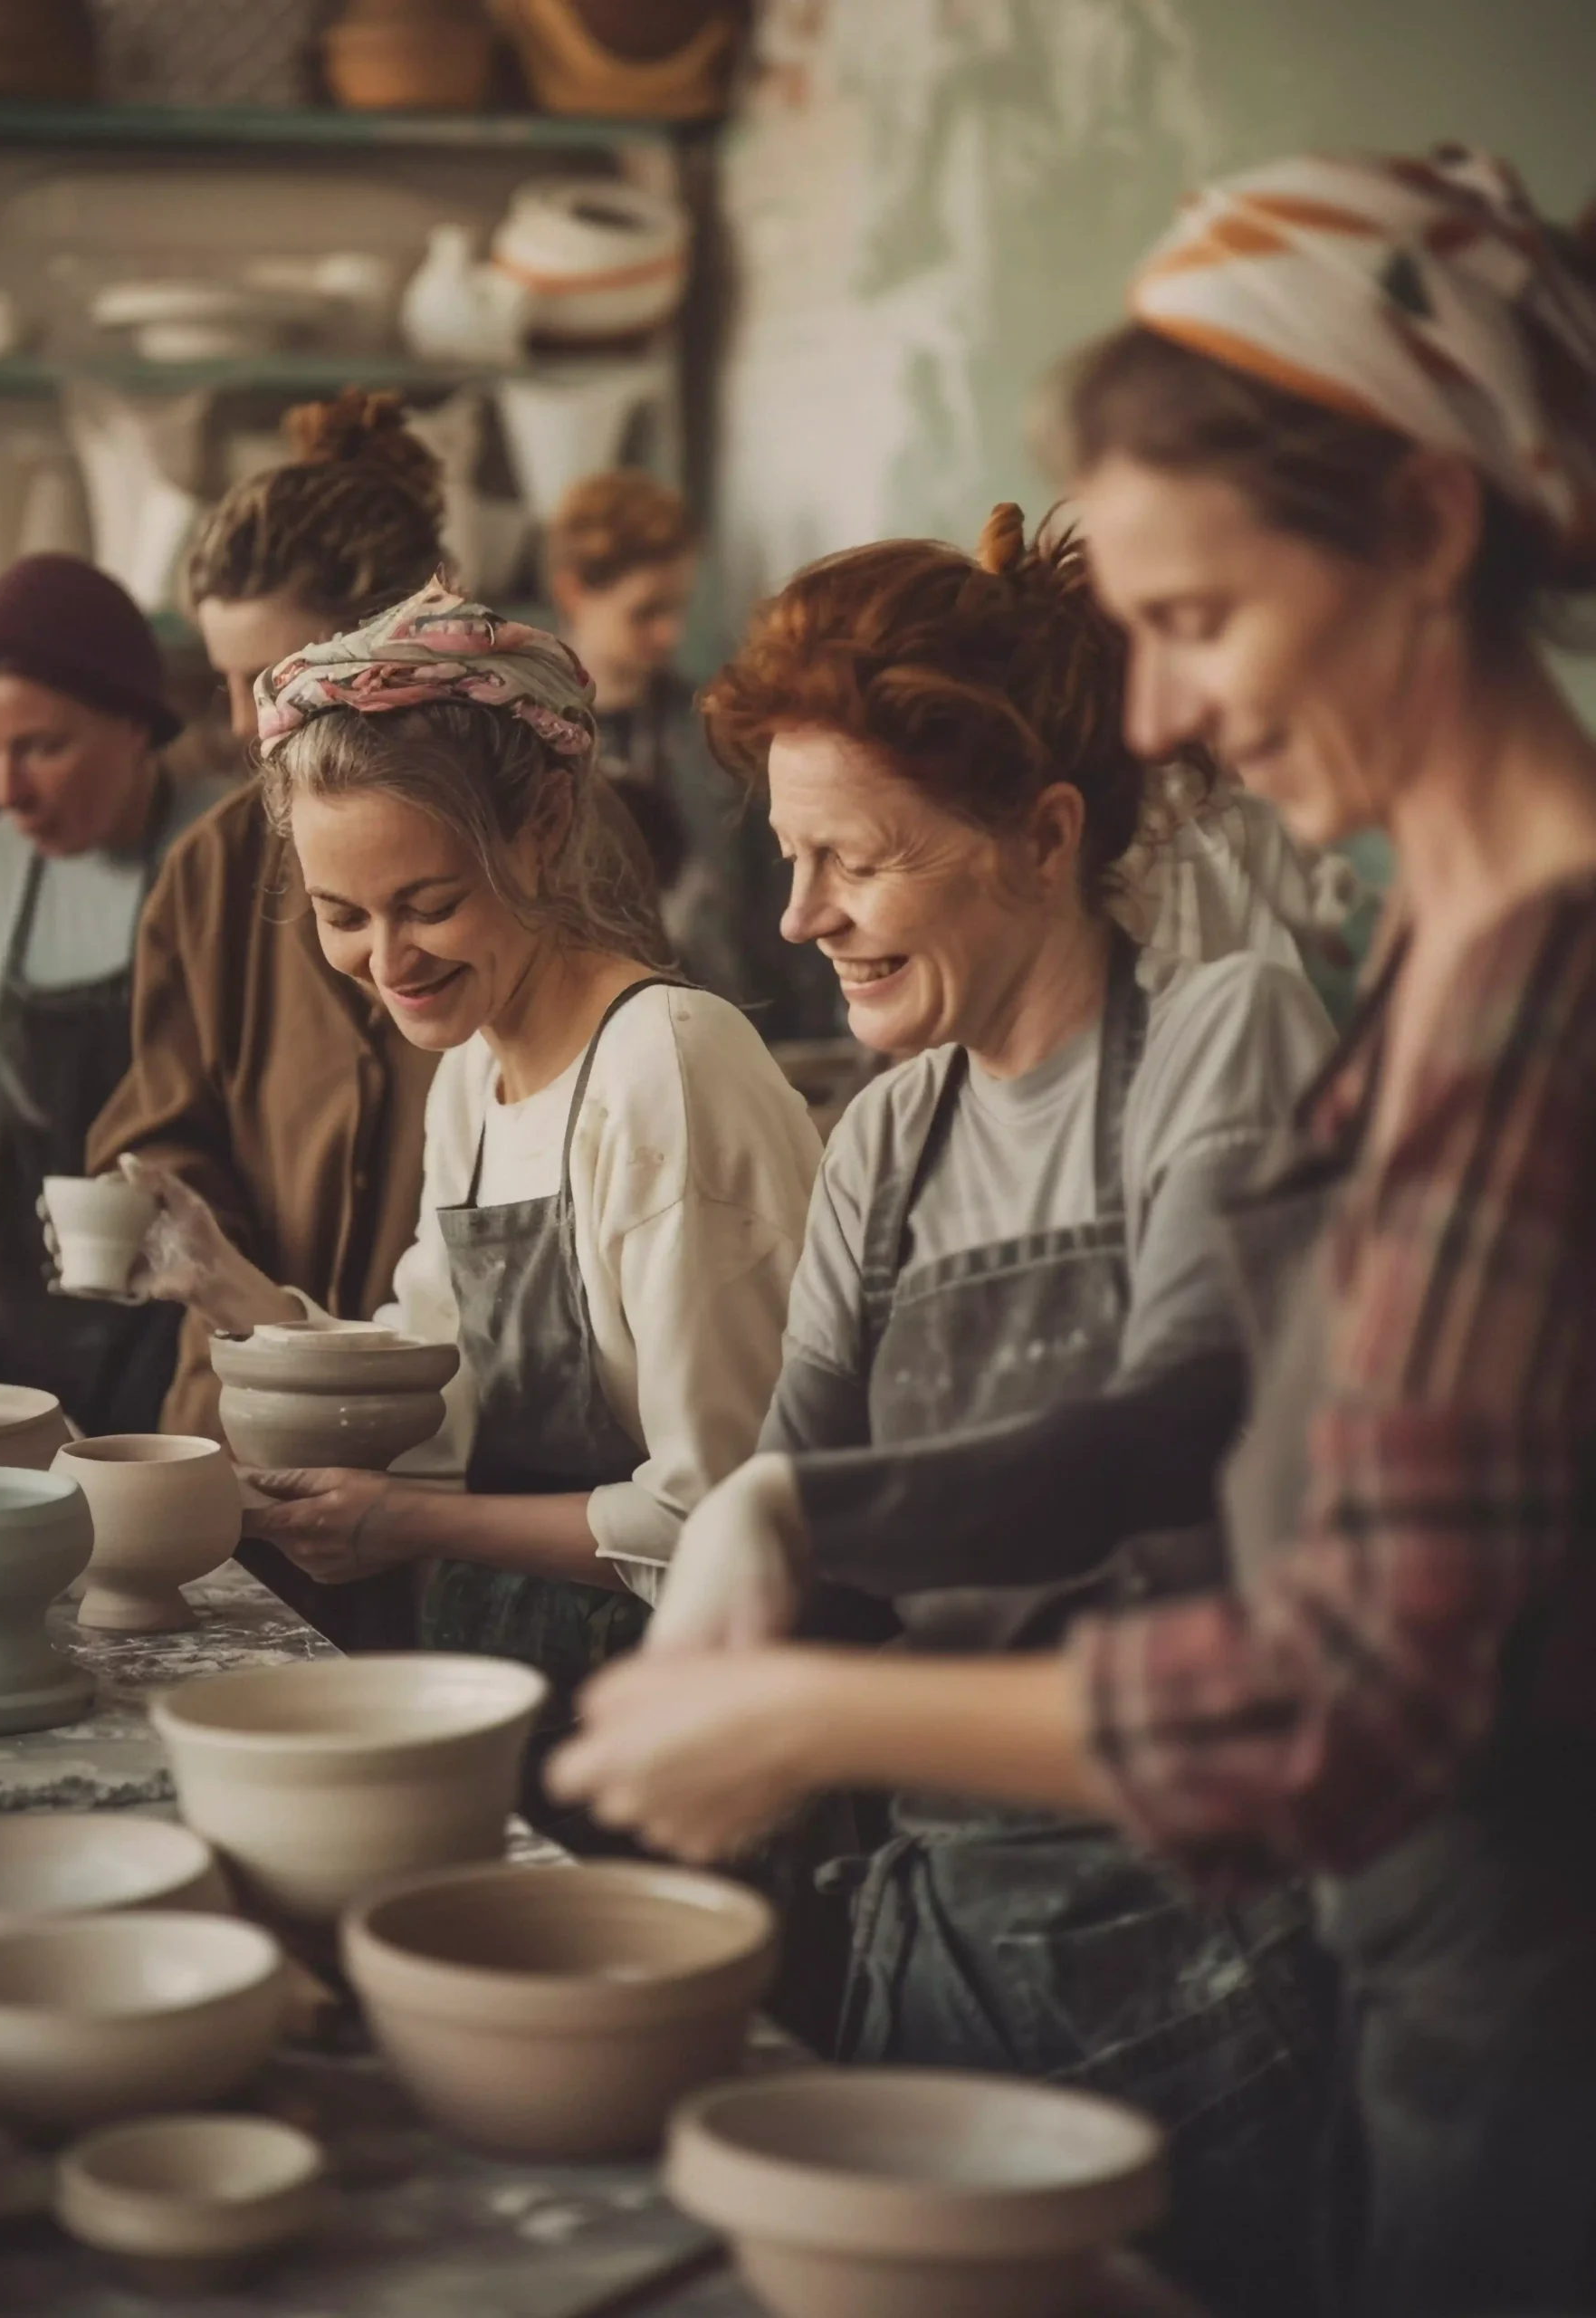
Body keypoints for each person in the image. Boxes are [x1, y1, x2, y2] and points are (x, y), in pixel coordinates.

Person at [550, 148, 1596, 2318]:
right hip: (1417, 1992)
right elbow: (1236, 1400)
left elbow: (1347, 1692)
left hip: (1515, 2029)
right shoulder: (1448, 963)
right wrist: (800, 1499)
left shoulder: (1529, 1012)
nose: (1168, 721)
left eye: (1199, 623)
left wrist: (815, 1713)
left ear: (1421, 528)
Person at [124, 575, 820, 1834]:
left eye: (428, 904)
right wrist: (222, 1286)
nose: (386, 963)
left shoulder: (662, 1066)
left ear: (543, 823)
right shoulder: (472, 1077)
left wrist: (407, 1522)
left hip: (687, 1739)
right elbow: (429, 1397)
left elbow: (719, 1508)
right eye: (342, 918)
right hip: (523, 1703)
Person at [87, 390, 445, 1449]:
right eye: (228, 683)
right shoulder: (209, 870)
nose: (249, 723)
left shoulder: (536, 840)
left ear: (398, 642)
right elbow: (158, 1125)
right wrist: (210, 1255)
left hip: (446, 1426)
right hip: (242, 1416)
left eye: (279, 676)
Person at [0, 553, 226, 1435]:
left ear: (136, 724)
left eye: (40, 748)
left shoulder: (216, 850)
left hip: (180, 1312)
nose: (6, 789)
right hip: (24, 1302)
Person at [549, 469, 840, 1039]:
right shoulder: (520, 737)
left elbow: (770, 899)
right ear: (573, 592)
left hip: (722, 1026)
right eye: (646, 612)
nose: (669, 634)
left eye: (678, 609)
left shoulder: (714, 731)